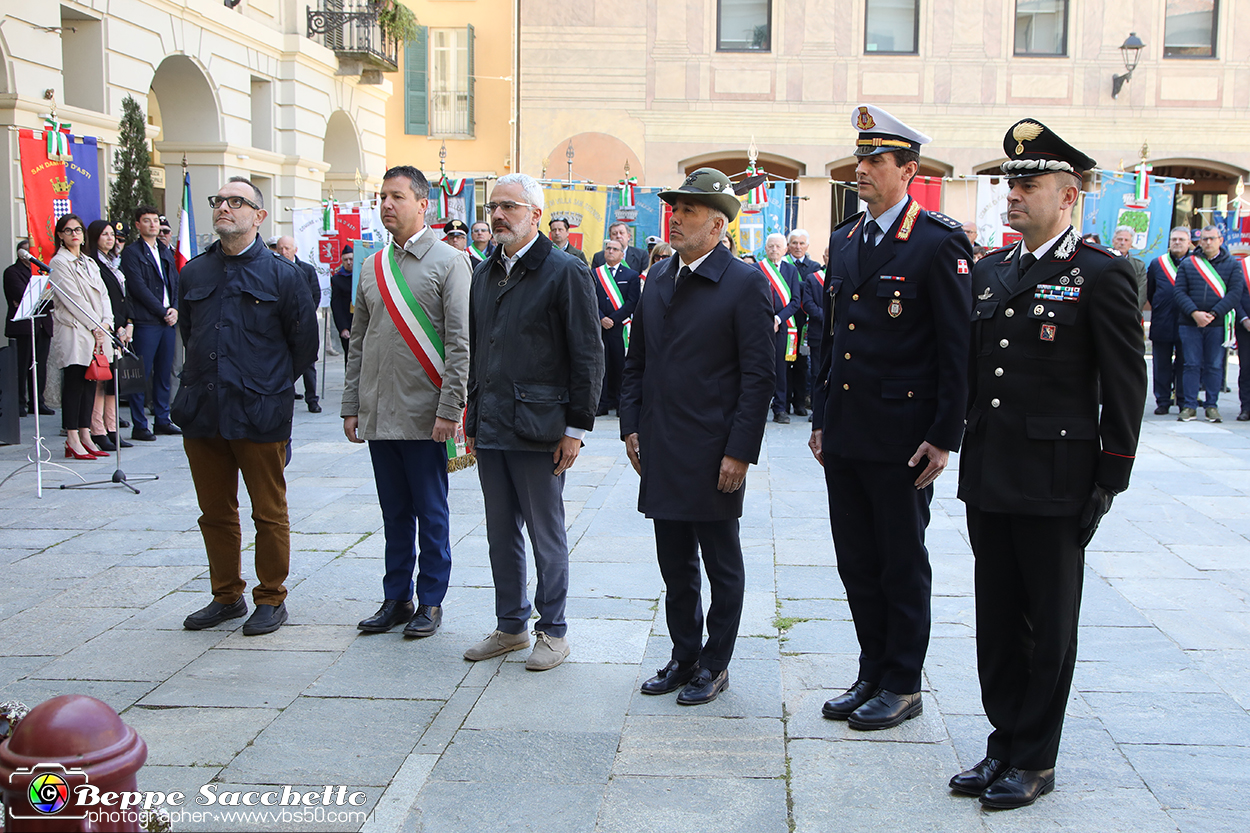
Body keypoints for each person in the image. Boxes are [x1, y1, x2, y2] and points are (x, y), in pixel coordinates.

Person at [954, 119, 1146, 809]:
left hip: (1057, 480)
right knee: (998, 622)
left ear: (1067, 195)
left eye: (1026, 183)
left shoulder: (1101, 274)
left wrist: (1109, 477)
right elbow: (977, 377)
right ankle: (1002, 741)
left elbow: (1126, 384)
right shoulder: (993, 269)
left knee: (1048, 626)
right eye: (1009, 182)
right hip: (992, 475)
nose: (1012, 194)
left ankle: (1035, 757)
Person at [810, 105, 972, 731]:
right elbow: (831, 337)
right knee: (856, 559)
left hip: (905, 435)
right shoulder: (845, 237)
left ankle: (903, 681)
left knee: (900, 561)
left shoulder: (936, 240)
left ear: (910, 170)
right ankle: (872, 669)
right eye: (860, 160)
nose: (863, 170)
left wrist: (943, 435)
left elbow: (958, 347)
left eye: (876, 161)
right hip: (848, 429)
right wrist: (821, 416)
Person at [619, 168, 774, 705]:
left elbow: (759, 378)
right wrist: (630, 425)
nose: (675, 218)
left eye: (687, 211)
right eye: (674, 209)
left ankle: (716, 661)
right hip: (662, 446)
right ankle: (684, 654)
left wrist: (740, 452)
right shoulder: (658, 278)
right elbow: (636, 362)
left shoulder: (745, 283)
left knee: (721, 563)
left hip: (713, 452)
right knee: (674, 563)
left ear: (716, 224)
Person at [462, 173, 603, 671]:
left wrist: (576, 429)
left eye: (510, 207)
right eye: (493, 206)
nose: (498, 215)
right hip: (494, 425)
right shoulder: (485, 272)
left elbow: (588, 354)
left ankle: (554, 630)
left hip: (540, 427)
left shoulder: (564, 271)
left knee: (546, 535)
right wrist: (473, 417)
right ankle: (510, 626)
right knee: (500, 533)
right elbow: (480, 352)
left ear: (536, 215)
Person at [174, 176, 317, 636]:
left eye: (237, 202)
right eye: (219, 201)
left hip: (259, 412)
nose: (224, 208)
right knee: (214, 512)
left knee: (268, 511)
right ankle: (226, 595)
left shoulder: (284, 275)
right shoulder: (194, 272)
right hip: (204, 411)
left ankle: (271, 598)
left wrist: (266, 385)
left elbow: (303, 347)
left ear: (259, 216)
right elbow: (189, 335)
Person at [343, 166, 471, 638]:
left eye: (397, 196)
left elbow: (461, 343)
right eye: (382, 196)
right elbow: (359, 342)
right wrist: (351, 404)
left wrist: (449, 410)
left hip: (425, 415)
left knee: (431, 512)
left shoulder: (449, 262)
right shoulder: (373, 266)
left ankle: (431, 601)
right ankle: (396, 597)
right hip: (379, 415)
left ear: (424, 205)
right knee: (393, 512)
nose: (386, 205)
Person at [48, 214, 113, 460]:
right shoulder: (59, 262)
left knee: (91, 383)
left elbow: (104, 295)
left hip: (97, 330)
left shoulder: (89, 261)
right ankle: (72, 437)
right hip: (76, 329)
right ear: (60, 235)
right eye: (68, 230)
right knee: (75, 381)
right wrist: (95, 326)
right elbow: (73, 300)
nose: (74, 234)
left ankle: (86, 433)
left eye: (78, 229)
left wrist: (106, 323)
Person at [121, 204, 180, 441]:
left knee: (164, 373)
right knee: (140, 374)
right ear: (138, 225)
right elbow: (138, 288)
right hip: (146, 321)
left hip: (167, 321)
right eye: (147, 220)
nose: (153, 224)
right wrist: (163, 310)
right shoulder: (132, 253)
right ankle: (140, 424)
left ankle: (163, 419)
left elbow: (174, 281)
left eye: (155, 220)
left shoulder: (165, 250)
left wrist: (175, 308)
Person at [1174, 225, 1242, 423]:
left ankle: (1212, 405)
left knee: (1214, 365)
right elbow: (1179, 292)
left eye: (1212, 238)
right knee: (1191, 365)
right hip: (1190, 322)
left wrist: (1213, 314)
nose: (1208, 242)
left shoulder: (1232, 264)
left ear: (1221, 240)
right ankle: (1189, 406)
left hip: (1218, 324)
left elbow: (1235, 293)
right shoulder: (1189, 264)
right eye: (1204, 239)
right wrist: (1195, 313)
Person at [86, 219, 134, 450]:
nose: (110, 239)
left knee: (114, 382)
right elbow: (103, 300)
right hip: (105, 329)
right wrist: (114, 325)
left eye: (111, 235)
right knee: (101, 380)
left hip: (121, 328)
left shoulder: (115, 263)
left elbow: (125, 296)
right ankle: (98, 429)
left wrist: (129, 323)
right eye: (104, 235)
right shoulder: (93, 263)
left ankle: (113, 428)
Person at [4, 240, 54, 416]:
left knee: (40, 366)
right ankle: (19, 403)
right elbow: (22, 296)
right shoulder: (12, 272)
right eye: (28, 252)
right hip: (23, 326)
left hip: (43, 325)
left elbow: (53, 299)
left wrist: (42, 300)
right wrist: (41, 299)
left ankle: (37, 402)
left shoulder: (43, 271)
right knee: (22, 365)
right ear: (21, 254)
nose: (32, 255)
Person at [1145, 227, 1191, 415]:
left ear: (1189, 243)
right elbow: (1151, 291)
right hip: (1163, 320)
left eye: (1181, 239)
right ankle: (1163, 400)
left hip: (1187, 322)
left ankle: (1182, 399)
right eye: (1174, 239)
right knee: (1161, 364)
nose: (1177, 242)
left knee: (1185, 363)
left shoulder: (1196, 263)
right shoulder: (1158, 264)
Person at [592, 238, 640, 416]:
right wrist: (602, 318)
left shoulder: (631, 275)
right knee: (601, 366)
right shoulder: (595, 274)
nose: (610, 251)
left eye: (615, 249)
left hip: (620, 328)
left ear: (622, 254)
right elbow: (590, 300)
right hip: (600, 328)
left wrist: (613, 319)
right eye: (608, 248)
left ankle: (621, 403)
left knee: (621, 367)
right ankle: (602, 403)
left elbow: (633, 302)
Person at [276, 236, 323, 413]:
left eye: (287, 248)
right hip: (282, 327)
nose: (283, 252)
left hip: (304, 327)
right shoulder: (274, 269)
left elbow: (315, 295)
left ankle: (312, 399)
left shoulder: (307, 270)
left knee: (309, 364)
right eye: (280, 248)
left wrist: (305, 319)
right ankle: (287, 394)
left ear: (295, 250)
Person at [760, 233, 801, 423]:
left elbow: (795, 302)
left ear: (785, 250)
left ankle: (780, 408)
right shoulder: (757, 269)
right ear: (765, 248)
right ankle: (758, 407)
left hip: (783, 326)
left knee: (781, 368)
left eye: (778, 246)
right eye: (771, 246)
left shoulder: (791, 271)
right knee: (759, 366)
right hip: (761, 326)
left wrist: (777, 319)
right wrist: (766, 319)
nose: (774, 250)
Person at [799, 254, 826, 423]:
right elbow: (808, 304)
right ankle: (817, 410)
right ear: (825, 257)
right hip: (818, 332)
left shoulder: (846, 273)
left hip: (840, 333)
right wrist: (829, 317)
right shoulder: (813, 278)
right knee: (816, 373)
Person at [1111, 225, 1148, 310]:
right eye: (1119, 239)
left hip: (1130, 312)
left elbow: (1141, 293)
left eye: (1126, 240)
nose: (1122, 243)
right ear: (1113, 241)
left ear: (1131, 243)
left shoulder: (1139, 266)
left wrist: (1132, 312)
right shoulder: (1102, 260)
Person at [330, 244, 354, 367]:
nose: (349, 262)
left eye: (351, 259)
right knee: (350, 358)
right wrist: (343, 327)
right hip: (348, 323)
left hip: (364, 323)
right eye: (345, 260)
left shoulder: (363, 276)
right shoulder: (337, 279)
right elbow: (336, 305)